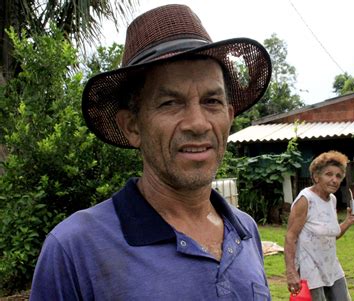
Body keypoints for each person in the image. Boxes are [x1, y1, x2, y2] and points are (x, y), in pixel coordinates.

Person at [30, 4, 272, 300]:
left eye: (212, 102)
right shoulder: (75, 248)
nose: (198, 123)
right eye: (170, 103)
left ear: (229, 116)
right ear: (132, 126)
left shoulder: (245, 230)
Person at [284, 151, 354, 301]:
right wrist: (291, 272)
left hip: (331, 265)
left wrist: (348, 221)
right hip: (310, 268)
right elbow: (290, 236)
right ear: (316, 176)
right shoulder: (305, 199)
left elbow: (332, 234)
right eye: (329, 174)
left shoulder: (331, 199)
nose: (334, 180)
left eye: (338, 176)